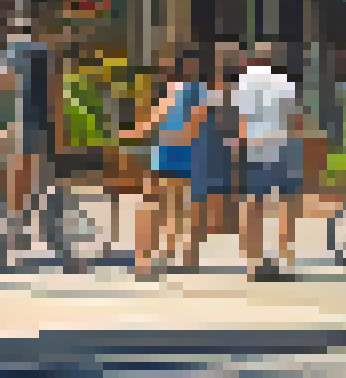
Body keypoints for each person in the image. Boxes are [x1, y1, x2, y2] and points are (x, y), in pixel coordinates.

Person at [118, 47, 201, 279]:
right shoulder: (195, 92)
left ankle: (152, 258)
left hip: (168, 156)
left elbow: (155, 122)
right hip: (181, 157)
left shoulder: (177, 93)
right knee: (176, 209)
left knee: (156, 207)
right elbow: (191, 124)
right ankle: (178, 255)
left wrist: (129, 135)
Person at [235, 41, 306, 279]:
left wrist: (241, 146)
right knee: (286, 204)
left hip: (255, 146)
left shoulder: (243, 81)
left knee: (253, 206)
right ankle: (285, 261)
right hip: (282, 145)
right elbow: (296, 121)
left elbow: (241, 120)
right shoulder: (285, 83)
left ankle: (253, 263)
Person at [0, 15, 60, 247]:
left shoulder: (13, 52)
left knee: (17, 175)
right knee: (36, 174)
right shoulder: (44, 54)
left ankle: (18, 227)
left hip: (19, 119)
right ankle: (41, 224)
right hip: (41, 120)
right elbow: (54, 89)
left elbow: (4, 83)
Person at [185, 44, 244, 272]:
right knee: (206, 205)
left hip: (213, 151)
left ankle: (192, 255)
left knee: (208, 206)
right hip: (212, 151)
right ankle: (191, 255)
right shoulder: (215, 91)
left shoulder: (215, 91)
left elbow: (193, 123)